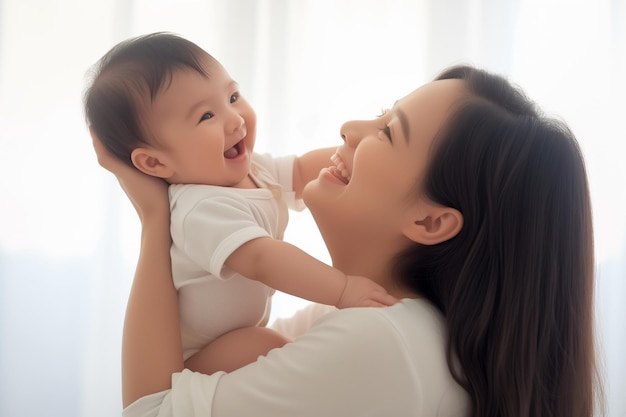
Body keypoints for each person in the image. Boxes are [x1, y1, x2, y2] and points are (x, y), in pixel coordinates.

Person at [92, 64, 601, 417]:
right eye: (381, 112)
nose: (350, 128)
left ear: (430, 223)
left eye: (387, 132)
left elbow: (151, 410)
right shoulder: (381, 325)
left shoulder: (385, 343)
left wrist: (157, 219)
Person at [83, 33, 398, 374]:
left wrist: (368, 152)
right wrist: (343, 289)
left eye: (232, 97)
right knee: (263, 344)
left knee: (262, 339)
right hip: (199, 356)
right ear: (156, 164)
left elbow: (306, 169)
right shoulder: (198, 209)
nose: (235, 119)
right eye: (206, 117)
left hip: (237, 334)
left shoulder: (250, 168)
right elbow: (262, 258)